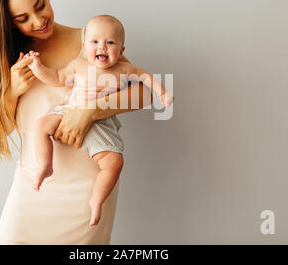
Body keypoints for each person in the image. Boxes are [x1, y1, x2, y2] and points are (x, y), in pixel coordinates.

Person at [0, 0, 152, 244]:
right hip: (33, 187)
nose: (38, 20)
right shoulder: (9, 60)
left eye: (40, 5)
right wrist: (11, 92)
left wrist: (89, 112)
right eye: (23, 18)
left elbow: (146, 93)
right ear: (9, 23)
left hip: (87, 192)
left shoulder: (93, 42)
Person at [23, 15, 174, 226]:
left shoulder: (124, 69)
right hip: (69, 110)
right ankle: (46, 165)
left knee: (114, 163)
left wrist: (163, 94)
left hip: (100, 123)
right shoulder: (78, 64)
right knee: (41, 125)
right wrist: (37, 67)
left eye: (110, 43)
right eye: (95, 42)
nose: (102, 47)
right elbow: (56, 77)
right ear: (84, 46)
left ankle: (97, 200)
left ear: (121, 50)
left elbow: (147, 79)